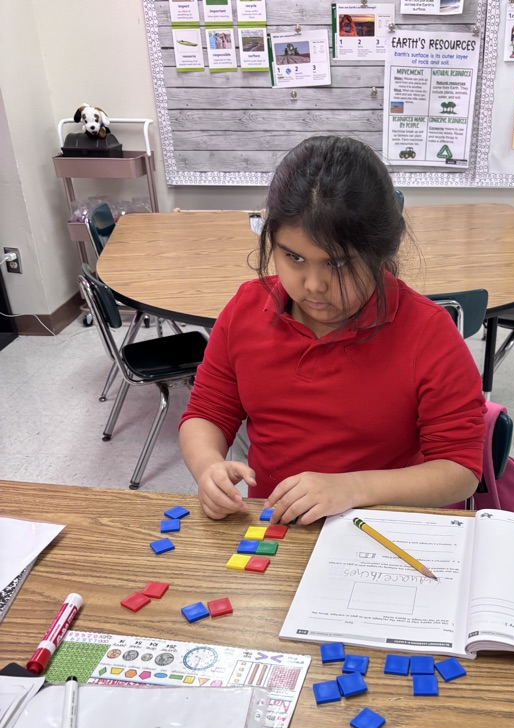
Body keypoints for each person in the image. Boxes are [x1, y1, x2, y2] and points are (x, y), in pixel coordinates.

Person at [179, 135, 486, 525]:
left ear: (381, 253)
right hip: (275, 527)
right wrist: (208, 468)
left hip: (378, 527)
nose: (313, 285)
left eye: (337, 264)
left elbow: (459, 470)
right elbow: (206, 412)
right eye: (293, 257)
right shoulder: (245, 309)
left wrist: (352, 488)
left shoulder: (427, 332)